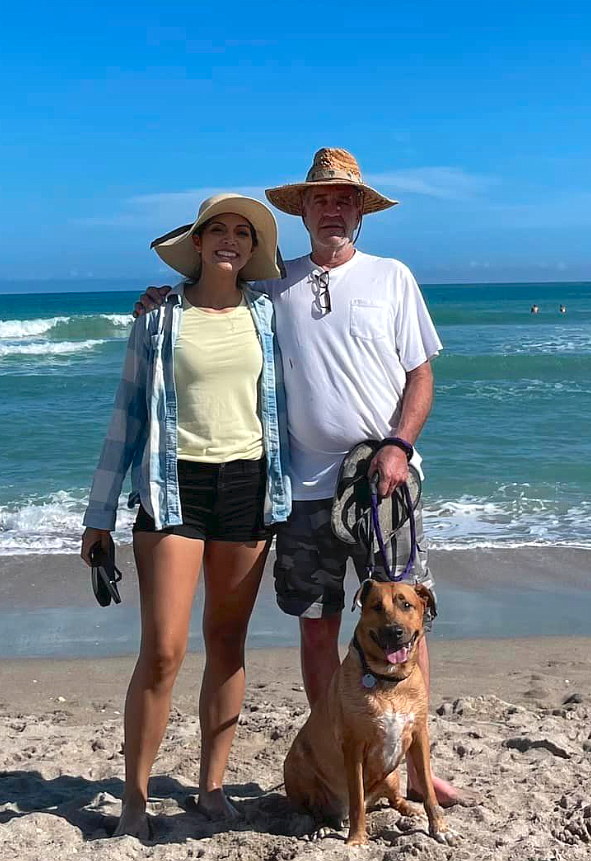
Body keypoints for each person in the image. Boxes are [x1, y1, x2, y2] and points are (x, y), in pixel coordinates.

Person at [135, 149, 474, 808]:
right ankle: (337, 755)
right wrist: (161, 299)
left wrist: (401, 445)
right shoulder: (275, 289)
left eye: (345, 199)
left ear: (360, 212)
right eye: (322, 200)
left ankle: (411, 770)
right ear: (304, 211)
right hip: (300, 491)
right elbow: (216, 297)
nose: (334, 210)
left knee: (406, 623)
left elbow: (422, 377)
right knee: (317, 625)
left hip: (385, 488)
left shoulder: (393, 278)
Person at [82, 193, 291, 839]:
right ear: (197, 243)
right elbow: (127, 414)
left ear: (252, 250)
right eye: (217, 230)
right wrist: (99, 513)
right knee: (165, 651)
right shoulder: (158, 318)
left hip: (249, 488)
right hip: (172, 491)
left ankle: (212, 787)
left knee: (227, 645)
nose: (230, 240)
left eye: (242, 233)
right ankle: (136, 801)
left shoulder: (270, 315)